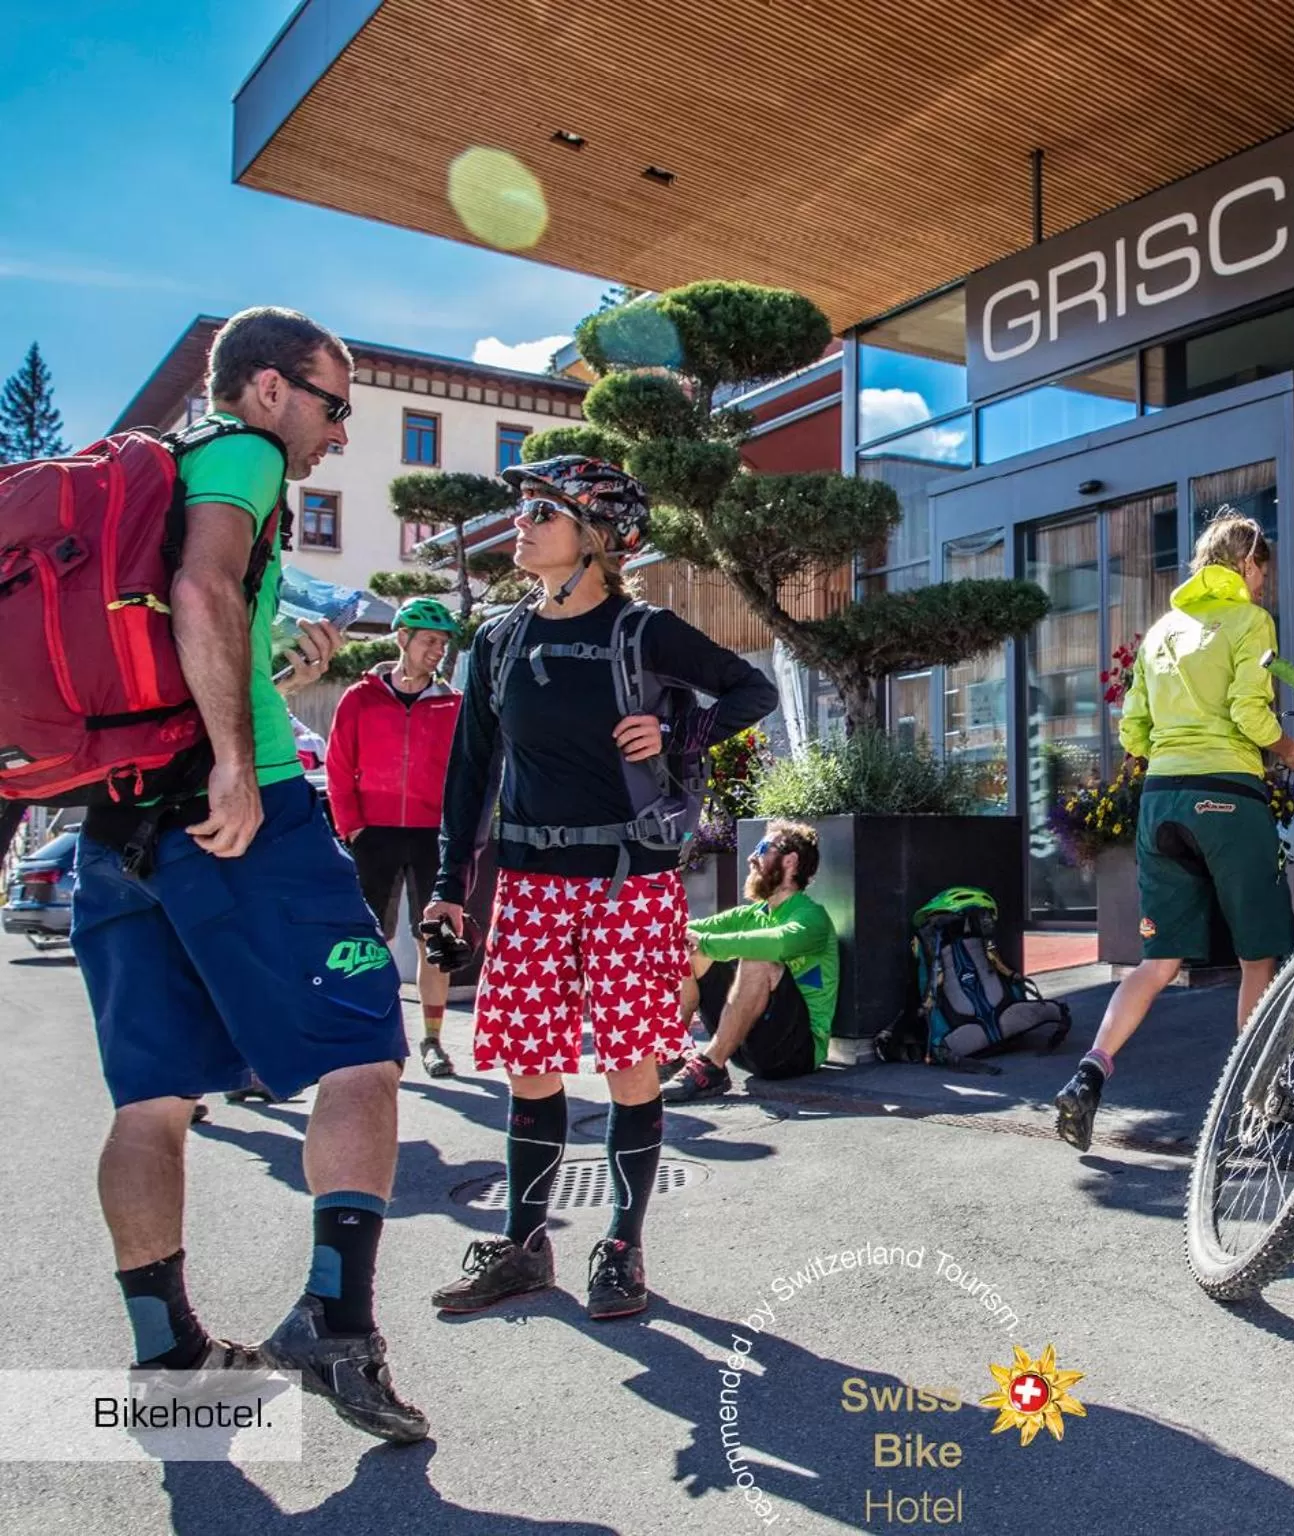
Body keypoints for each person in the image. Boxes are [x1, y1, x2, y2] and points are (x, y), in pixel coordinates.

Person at [70, 306, 425, 1441]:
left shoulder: (163, 476)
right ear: (269, 390)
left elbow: (197, 617)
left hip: (117, 824)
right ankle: (335, 1321)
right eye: (334, 403)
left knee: (153, 1100)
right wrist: (235, 758)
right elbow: (205, 591)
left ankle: (166, 1352)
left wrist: (264, 670)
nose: (340, 430)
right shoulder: (242, 453)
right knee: (367, 1052)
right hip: (239, 811)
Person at [423, 455, 776, 1321]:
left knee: (629, 1070)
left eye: (544, 511)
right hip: (531, 888)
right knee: (530, 1073)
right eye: (525, 510)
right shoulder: (498, 638)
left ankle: (622, 1247)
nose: (523, 523)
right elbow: (470, 771)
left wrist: (676, 729)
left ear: (599, 539)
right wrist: (446, 886)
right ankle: (523, 1245)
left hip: (629, 883)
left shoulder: (643, 629)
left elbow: (751, 687)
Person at [1053, 511, 1294, 1153]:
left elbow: (1133, 731)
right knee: (1257, 952)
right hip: (1227, 795)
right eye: (1264, 572)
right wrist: (1289, 748)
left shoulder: (1162, 631)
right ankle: (1256, 1098)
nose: (1265, 586)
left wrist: (1172, 749)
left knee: (1157, 960)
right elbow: (1247, 712)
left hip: (1162, 802)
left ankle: (1091, 1071)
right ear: (1247, 563)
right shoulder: (1249, 622)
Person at [326, 595, 466, 1079]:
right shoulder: (359, 698)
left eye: (443, 643)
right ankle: (378, 1034)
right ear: (402, 638)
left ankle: (432, 1040)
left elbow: (467, 776)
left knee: (438, 940)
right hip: (375, 834)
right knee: (371, 940)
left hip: (434, 837)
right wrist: (353, 827)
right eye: (429, 640)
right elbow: (338, 765)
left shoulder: (453, 705)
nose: (437, 651)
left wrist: (461, 834)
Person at [660, 820, 838, 1102]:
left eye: (763, 848)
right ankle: (672, 1053)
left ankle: (712, 1067)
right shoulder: (752, 913)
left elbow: (778, 942)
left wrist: (707, 942)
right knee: (690, 951)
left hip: (795, 1052)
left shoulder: (811, 917)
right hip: (748, 1047)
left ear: (790, 861)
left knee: (759, 958)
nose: (751, 857)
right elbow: (693, 930)